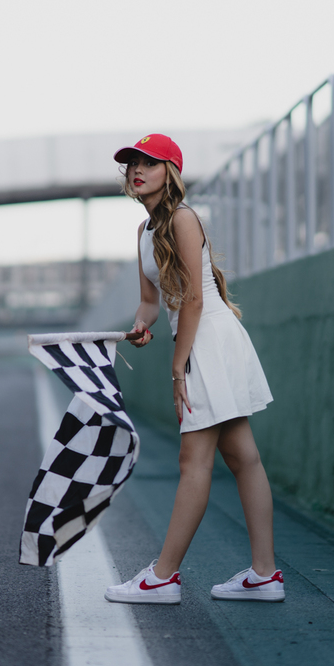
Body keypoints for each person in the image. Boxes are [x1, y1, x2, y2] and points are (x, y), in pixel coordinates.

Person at [103, 133, 282, 605]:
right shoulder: (143, 233)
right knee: (243, 458)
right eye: (132, 164)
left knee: (194, 462)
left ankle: (163, 577)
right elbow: (149, 300)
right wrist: (140, 329)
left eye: (149, 163)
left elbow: (197, 300)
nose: (137, 170)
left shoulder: (183, 218)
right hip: (198, 339)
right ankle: (265, 575)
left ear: (171, 173)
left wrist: (178, 368)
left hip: (209, 340)